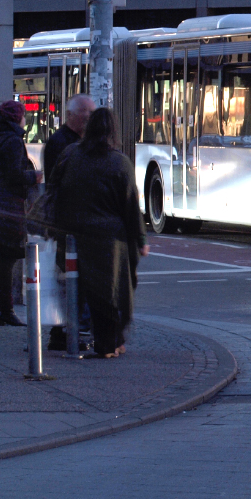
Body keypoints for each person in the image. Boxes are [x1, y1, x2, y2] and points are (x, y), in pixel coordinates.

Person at [53, 108, 149, 358]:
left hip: (72, 235)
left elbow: (55, 189)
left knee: (79, 290)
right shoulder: (119, 162)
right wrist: (140, 239)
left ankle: (70, 337)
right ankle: (109, 343)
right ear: (112, 131)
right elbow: (130, 205)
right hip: (109, 239)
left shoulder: (70, 155)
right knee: (113, 293)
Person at [0, 100, 42, 326]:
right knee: (7, 261)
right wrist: (35, 176)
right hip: (9, 208)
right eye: (23, 116)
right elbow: (15, 175)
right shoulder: (14, 142)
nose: (25, 119)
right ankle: (6, 310)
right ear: (17, 118)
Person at [44, 93, 96, 351]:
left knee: (70, 280)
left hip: (71, 222)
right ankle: (64, 334)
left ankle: (65, 332)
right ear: (71, 115)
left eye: (92, 113)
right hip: (67, 224)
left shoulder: (75, 141)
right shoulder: (62, 143)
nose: (89, 118)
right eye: (85, 113)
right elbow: (62, 185)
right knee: (68, 280)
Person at [43, 94, 95, 183]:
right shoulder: (57, 142)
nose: (87, 116)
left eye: (91, 112)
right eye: (82, 111)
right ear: (69, 114)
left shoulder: (91, 140)